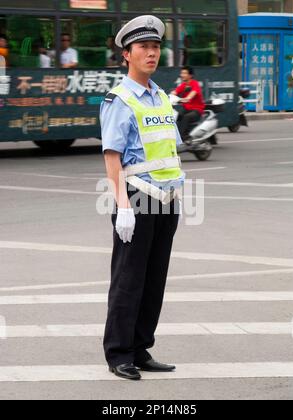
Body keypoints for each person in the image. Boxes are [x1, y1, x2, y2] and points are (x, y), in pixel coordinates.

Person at [100, 15, 185, 381]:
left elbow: (171, 148)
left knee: (154, 278)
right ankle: (119, 353)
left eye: (155, 47)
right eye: (143, 48)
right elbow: (112, 157)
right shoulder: (119, 99)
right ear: (127, 55)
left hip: (168, 199)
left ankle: (140, 347)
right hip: (137, 198)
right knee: (129, 278)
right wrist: (122, 206)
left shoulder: (161, 96)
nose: (151, 53)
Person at [171, 66, 205, 141]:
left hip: (197, 111)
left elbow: (191, 95)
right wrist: (168, 97)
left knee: (186, 117)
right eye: (181, 73)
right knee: (175, 116)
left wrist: (185, 99)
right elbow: (174, 92)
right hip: (186, 110)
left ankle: (182, 138)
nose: (182, 75)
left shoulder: (195, 84)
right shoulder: (183, 85)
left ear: (190, 75)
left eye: (184, 73)